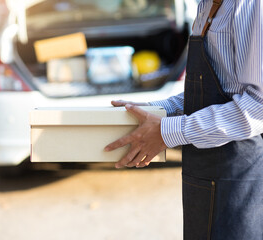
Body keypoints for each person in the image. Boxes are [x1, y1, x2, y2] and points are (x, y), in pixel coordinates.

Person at [104, 0, 263, 239]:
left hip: (239, 177)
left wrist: (167, 132)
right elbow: (213, 89)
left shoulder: (251, 6)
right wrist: (157, 111)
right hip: (202, 173)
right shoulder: (204, 5)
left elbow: (258, 104)